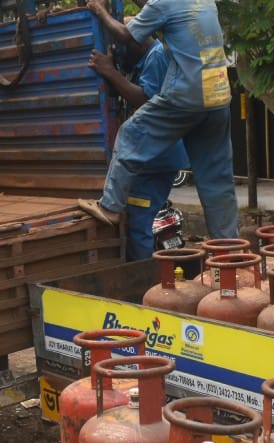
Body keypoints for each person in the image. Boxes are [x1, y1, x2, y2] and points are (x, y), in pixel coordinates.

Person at [79, 0, 239, 240]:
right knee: (217, 179)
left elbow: (126, 35)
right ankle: (229, 247)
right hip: (217, 96)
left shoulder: (164, 4)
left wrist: (99, 10)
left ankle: (110, 207)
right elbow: (162, 13)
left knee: (130, 135)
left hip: (187, 95)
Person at [88, 25, 188, 260]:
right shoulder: (147, 59)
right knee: (137, 223)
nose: (122, 57)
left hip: (155, 159)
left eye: (123, 49)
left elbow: (145, 100)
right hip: (152, 157)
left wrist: (111, 72)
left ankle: (141, 285)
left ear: (137, 42)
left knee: (138, 227)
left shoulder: (156, 57)